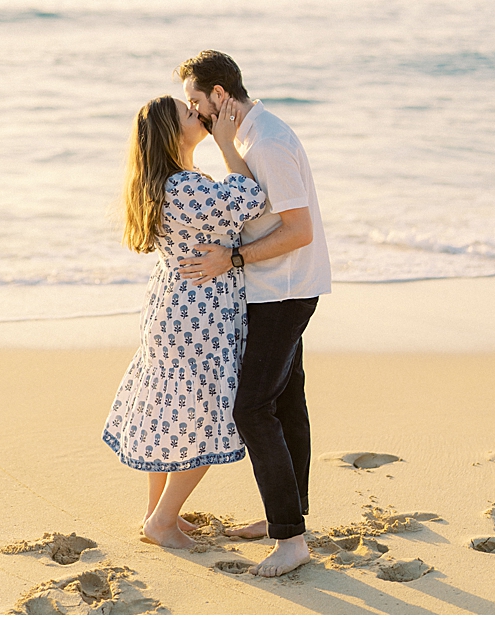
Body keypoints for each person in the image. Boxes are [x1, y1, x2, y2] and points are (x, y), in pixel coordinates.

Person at [174, 50, 332, 578]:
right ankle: (285, 519)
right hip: (271, 288)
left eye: (197, 103)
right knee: (287, 399)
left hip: (284, 289)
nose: (194, 114)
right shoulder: (244, 137)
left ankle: (291, 539)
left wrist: (233, 258)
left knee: (252, 408)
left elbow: (299, 229)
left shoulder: (268, 141)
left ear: (220, 96)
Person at [104, 93, 264, 549]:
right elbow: (251, 199)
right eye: (189, 114)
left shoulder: (168, 183)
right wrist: (230, 144)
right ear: (171, 134)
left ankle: (157, 514)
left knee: (171, 412)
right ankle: (162, 521)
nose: (199, 116)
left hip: (173, 308)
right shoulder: (186, 186)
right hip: (198, 317)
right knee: (206, 415)